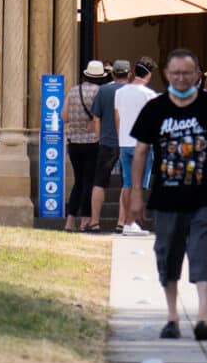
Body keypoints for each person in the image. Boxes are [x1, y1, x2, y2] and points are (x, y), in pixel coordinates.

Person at [123, 50, 207, 340]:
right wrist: (137, 193)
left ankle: (203, 317)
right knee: (168, 252)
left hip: (206, 194)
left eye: (186, 73)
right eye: (175, 73)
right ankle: (172, 316)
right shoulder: (155, 108)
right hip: (167, 196)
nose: (181, 78)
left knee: (205, 251)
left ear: (197, 74)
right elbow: (141, 150)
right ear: (167, 75)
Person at [64, 59, 108, 231]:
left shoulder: (73, 91)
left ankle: (69, 220)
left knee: (78, 181)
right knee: (89, 181)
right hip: (92, 142)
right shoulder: (100, 92)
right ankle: (85, 220)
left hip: (74, 142)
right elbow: (101, 117)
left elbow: (64, 116)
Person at [114, 59, 155, 235]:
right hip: (142, 144)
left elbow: (117, 117)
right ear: (148, 74)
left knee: (127, 183)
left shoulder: (120, 92)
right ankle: (131, 223)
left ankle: (126, 223)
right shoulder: (149, 94)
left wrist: (120, 137)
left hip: (124, 142)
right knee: (138, 185)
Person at [93, 59, 127, 230]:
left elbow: (96, 117)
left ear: (113, 73)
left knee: (99, 182)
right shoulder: (131, 91)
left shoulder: (104, 90)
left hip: (107, 142)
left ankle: (94, 222)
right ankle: (121, 223)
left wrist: (100, 138)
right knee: (126, 183)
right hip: (127, 142)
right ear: (129, 74)